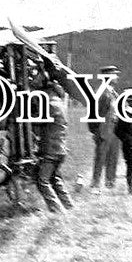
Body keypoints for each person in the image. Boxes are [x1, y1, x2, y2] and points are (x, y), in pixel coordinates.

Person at [33, 64, 74, 213]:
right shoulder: (58, 101)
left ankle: (58, 212)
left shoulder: (48, 103)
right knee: (55, 179)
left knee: (42, 181)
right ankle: (69, 206)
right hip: (60, 148)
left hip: (51, 149)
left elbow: (39, 121)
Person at [88, 65, 121, 189]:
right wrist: (95, 131)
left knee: (113, 155)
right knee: (101, 157)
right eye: (115, 74)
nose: (117, 77)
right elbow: (93, 113)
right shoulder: (102, 93)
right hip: (104, 130)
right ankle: (96, 182)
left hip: (114, 129)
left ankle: (110, 182)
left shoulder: (112, 92)